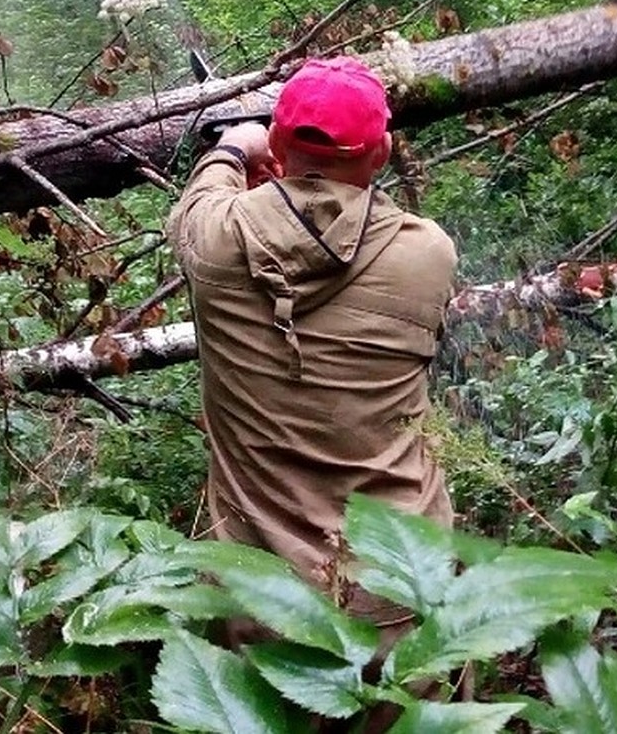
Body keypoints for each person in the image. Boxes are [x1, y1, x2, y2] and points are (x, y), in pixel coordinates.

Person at [165, 56, 458, 651]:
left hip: (267, 603)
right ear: (382, 154)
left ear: (275, 140)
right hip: (403, 588)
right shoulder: (428, 253)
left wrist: (232, 150)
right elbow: (332, 239)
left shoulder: (216, 242)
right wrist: (281, 195)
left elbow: (200, 209)